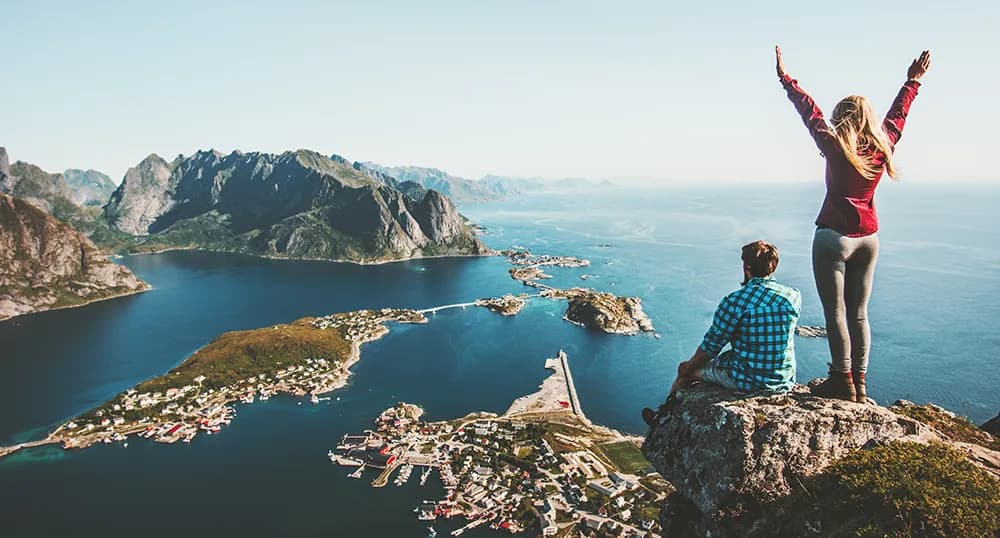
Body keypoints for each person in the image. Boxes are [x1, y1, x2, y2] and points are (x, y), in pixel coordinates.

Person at [776, 46, 931, 403]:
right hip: (869, 239)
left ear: (842, 118)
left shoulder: (833, 145)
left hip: (833, 238)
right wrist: (913, 80)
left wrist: (786, 78)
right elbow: (898, 115)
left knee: (835, 313)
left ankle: (841, 381)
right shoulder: (883, 146)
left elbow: (808, 110)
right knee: (860, 314)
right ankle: (860, 384)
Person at [642, 241, 801, 427]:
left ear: (746, 267)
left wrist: (687, 367)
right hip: (782, 379)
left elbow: (712, 346)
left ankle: (660, 419)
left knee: (685, 373)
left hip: (747, 378)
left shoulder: (735, 301)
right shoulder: (793, 296)